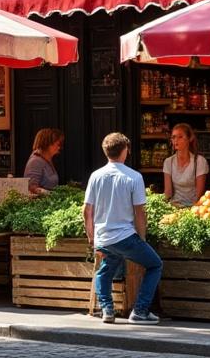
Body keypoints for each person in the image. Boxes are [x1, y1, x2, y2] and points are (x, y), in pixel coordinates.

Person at [84, 132, 162, 325]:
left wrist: (92, 238)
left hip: (103, 237)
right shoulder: (134, 177)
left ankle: (107, 310)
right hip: (126, 237)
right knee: (155, 265)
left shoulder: (95, 176)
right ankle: (140, 311)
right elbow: (140, 212)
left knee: (105, 270)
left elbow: (87, 211)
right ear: (125, 150)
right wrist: (142, 238)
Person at [162, 123, 208, 207]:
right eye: (173, 137)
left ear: (190, 139)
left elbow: (199, 195)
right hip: (174, 206)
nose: (176, 140)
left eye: (180, 137)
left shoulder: (199, 161)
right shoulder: (168, 162)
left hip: (194, 208)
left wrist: (192, 211)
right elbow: (168, 192)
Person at [24, 127, 63, 195]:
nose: (59, 147)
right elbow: (31, 187)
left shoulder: (47, 159)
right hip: (41, 201)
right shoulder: (35, 161)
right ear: (47, 143)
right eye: (57, 144)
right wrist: (51, 194)